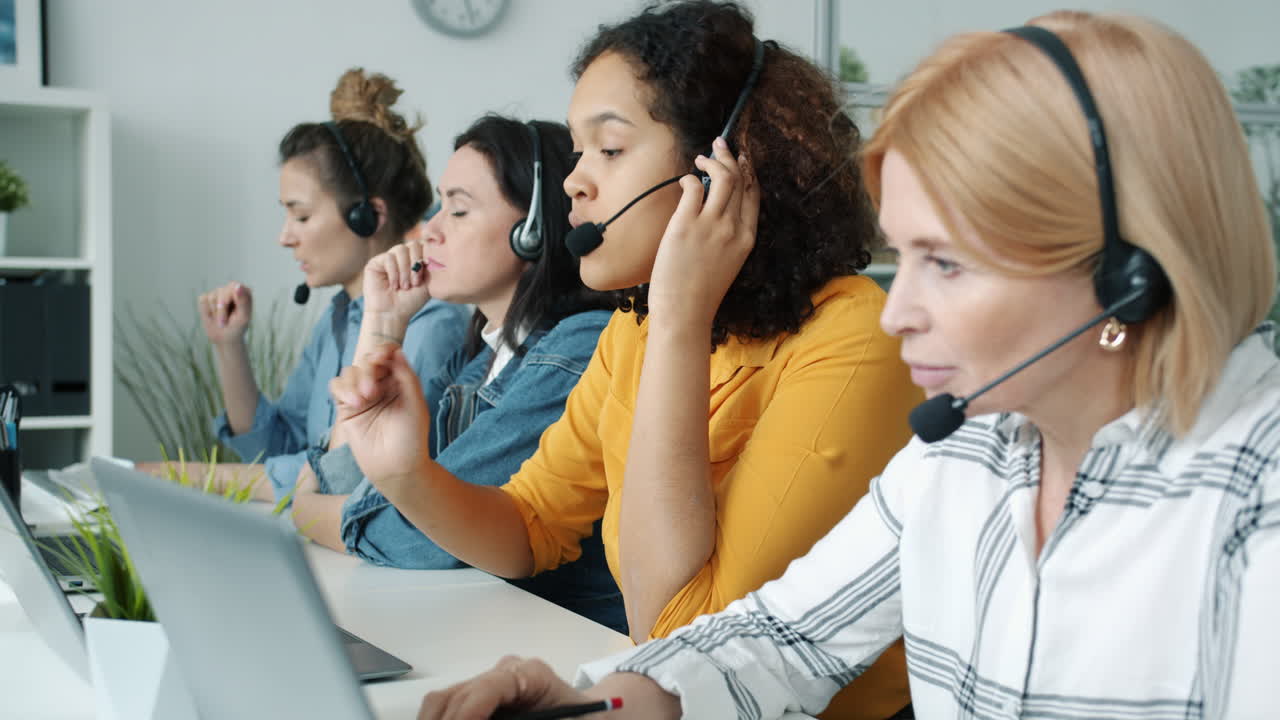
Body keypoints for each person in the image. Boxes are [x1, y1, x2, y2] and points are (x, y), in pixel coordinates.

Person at [413, 10, 1280, 719]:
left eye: (944, 263)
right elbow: (783, 640)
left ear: (1129, 271)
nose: (898, 312)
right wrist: (584, 703)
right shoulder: (965, 454)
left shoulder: (1255, 492)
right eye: (901, 257)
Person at [334, 3, 919, 717]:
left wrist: (678, 319)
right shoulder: (631, 332)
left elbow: (689, 639)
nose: (575, 182)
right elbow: (529, 528)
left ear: (725, 166)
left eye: (609, 150)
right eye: (578, 153)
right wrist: (405, 473)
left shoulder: (852, 336)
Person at [288, 114, 625, 633]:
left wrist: (307, 511)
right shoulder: (481, 358)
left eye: (459, 210)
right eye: (437, 206)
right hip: (496, 628)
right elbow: (360, 482)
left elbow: (415, 534)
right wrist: (383, 324)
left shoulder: (579, 350)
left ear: (531, 231)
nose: (431, 231)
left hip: (572, 648)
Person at [147, 69, 469, 502]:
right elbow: (279, 449)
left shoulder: (432, 326)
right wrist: (229, 346)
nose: (285, 236)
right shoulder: (338, 317)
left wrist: (190, 476)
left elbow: (354, 478)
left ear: (367, 216)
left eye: (300, 216)